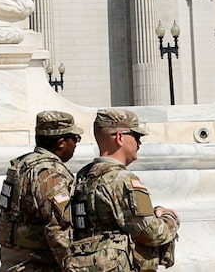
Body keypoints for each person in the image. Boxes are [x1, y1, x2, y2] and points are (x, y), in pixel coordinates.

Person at [70, 109, 179, 271]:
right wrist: (170, 218)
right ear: (120, 137)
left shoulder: (84, 176)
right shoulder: (122, 179)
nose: (139, 143)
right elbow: (150, 232)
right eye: (136, 137)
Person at [0, 111, 80, 271]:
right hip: (38, 265)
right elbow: (59, 231)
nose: (76, 144)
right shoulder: (50, 173)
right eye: (75, 138)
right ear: (61, 142)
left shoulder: (22, 166)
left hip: (14, 262)